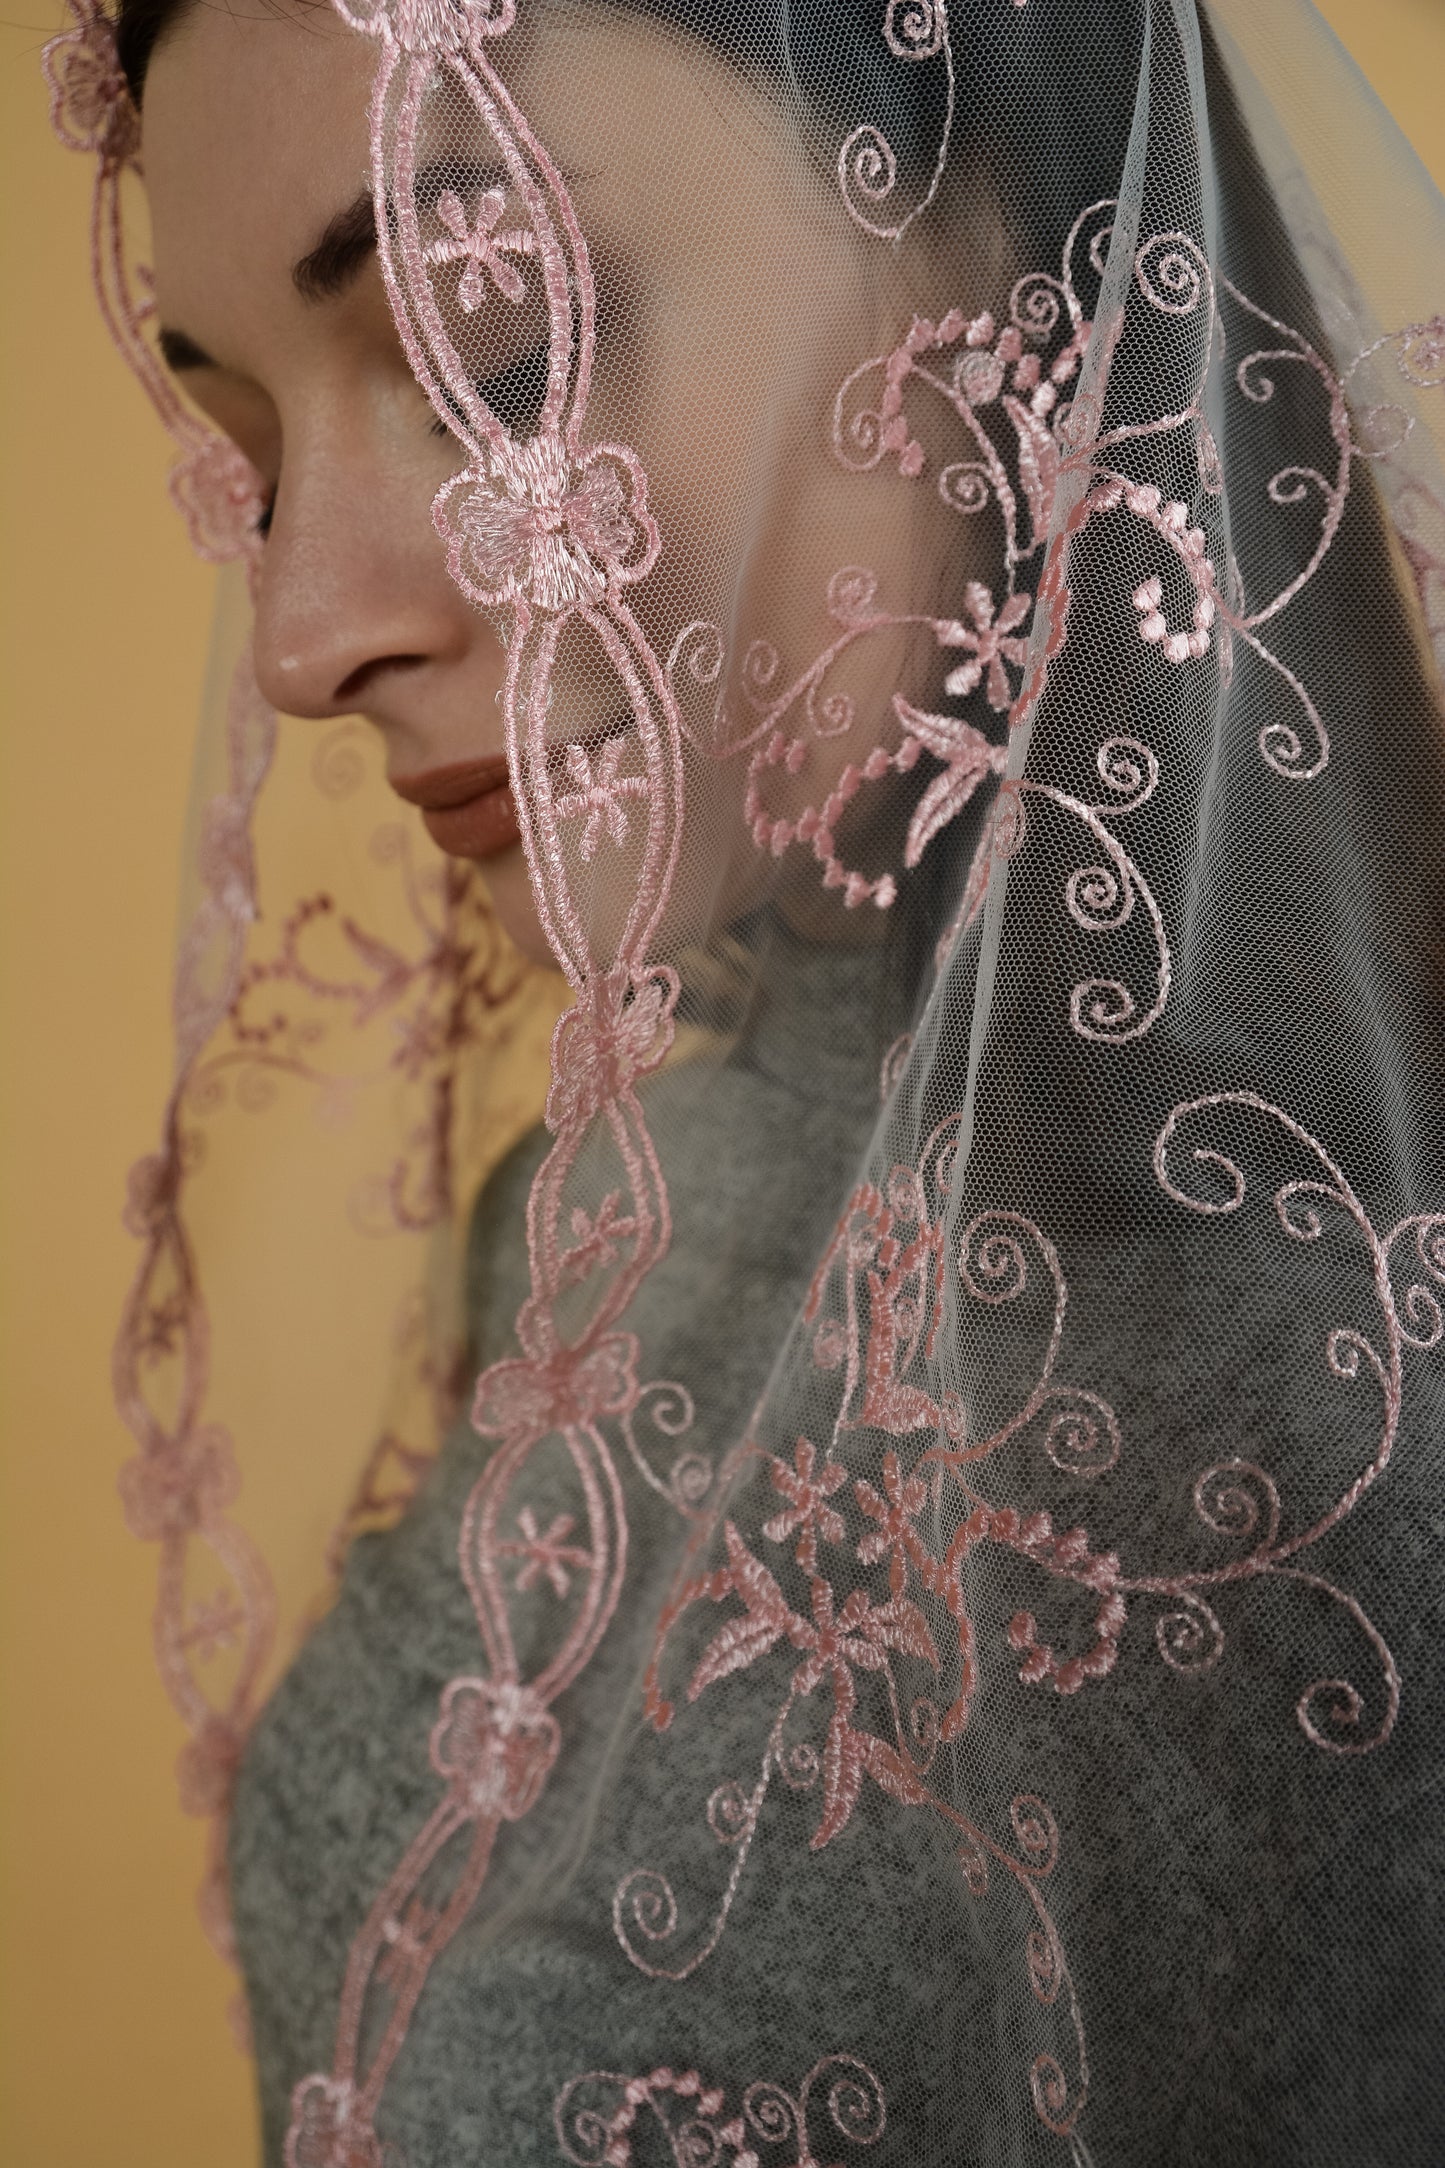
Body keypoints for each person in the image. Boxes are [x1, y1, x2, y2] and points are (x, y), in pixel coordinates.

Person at [42, 0, 1445, 2159]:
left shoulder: (1323, 1450)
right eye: (252, 446)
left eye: (494, 354)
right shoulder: (616, 1205)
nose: (302, 632)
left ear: (988, 237)